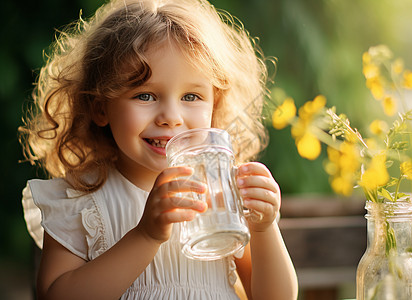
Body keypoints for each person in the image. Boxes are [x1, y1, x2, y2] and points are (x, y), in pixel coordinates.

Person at [20, 0, 298, 299]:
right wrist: (146, 235)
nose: (171, 117)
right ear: (100, 107)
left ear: (214, 105)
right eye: (145, 95)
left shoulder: (220, 195)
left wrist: (264, 229)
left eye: (191, 96)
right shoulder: (80, 200)